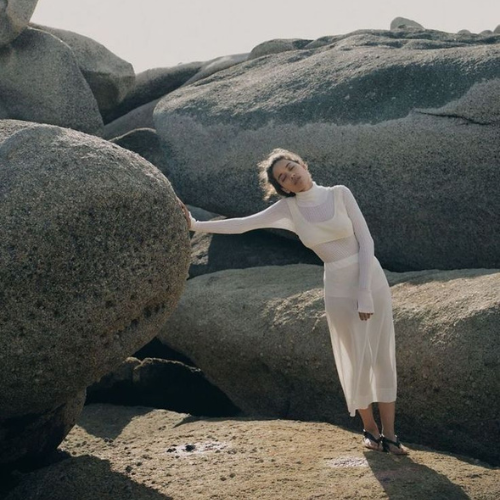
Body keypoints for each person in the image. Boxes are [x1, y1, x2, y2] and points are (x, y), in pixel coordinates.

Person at [177, 148, 409, 455]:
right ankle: (371, 429)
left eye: (291, 167)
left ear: (303, 164)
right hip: (337, 285)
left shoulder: (340, 194)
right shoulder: (288, 209)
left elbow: (366, 241)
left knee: (380, 354)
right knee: (355, 354)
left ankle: (391, 435)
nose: (290, 175)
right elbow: (243, 224)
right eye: (283, 177)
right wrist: (196, 225)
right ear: (283, 188)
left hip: (370, 280)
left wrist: (364, 291)